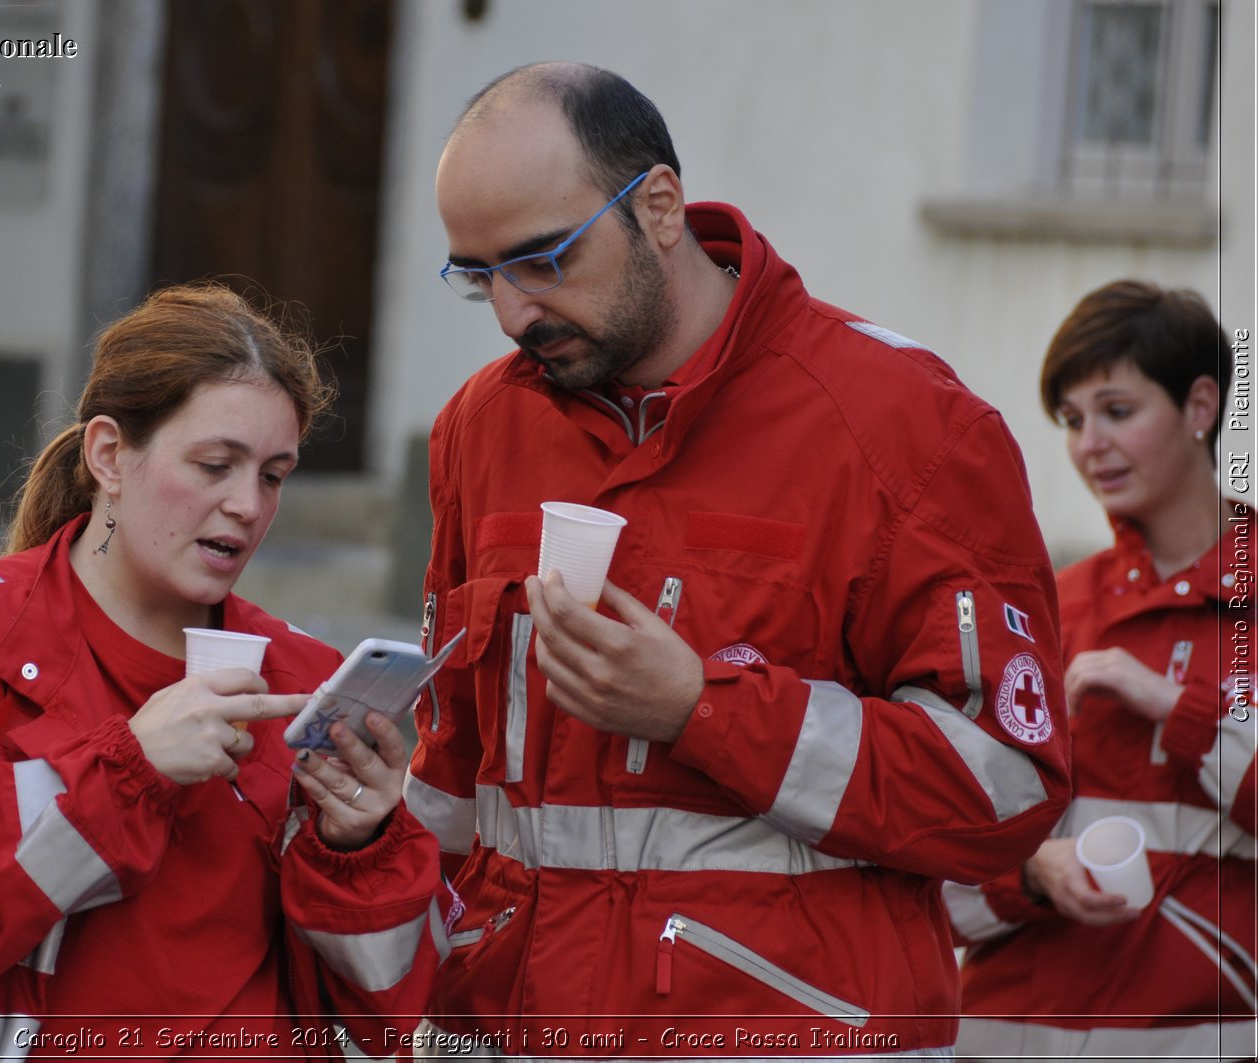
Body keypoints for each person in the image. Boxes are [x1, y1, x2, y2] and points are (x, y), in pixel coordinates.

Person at [404, 62, 1072, 1059]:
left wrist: (702, 709)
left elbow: (1005, 790)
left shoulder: (905, 426)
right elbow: (449, 783)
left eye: (542, 260)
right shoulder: (478, 428)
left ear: (660, 207)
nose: (511, 313)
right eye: (478, 277)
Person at [0, 283, 448, 1060]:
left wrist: (362, 844)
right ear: (108, 455)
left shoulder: (305, 675)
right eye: (213, 463)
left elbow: (388, 1017)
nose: (246, 504)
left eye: (273, 474)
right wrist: (123, 773)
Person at [948, 281, 1255, 1061]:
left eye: (1117, 411)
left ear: (1200, 406)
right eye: (1073, 420)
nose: (1090, 444)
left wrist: (1175, 708)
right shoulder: (1042, 607)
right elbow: (936, 872)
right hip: (997, 1042)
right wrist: (1031, 874)